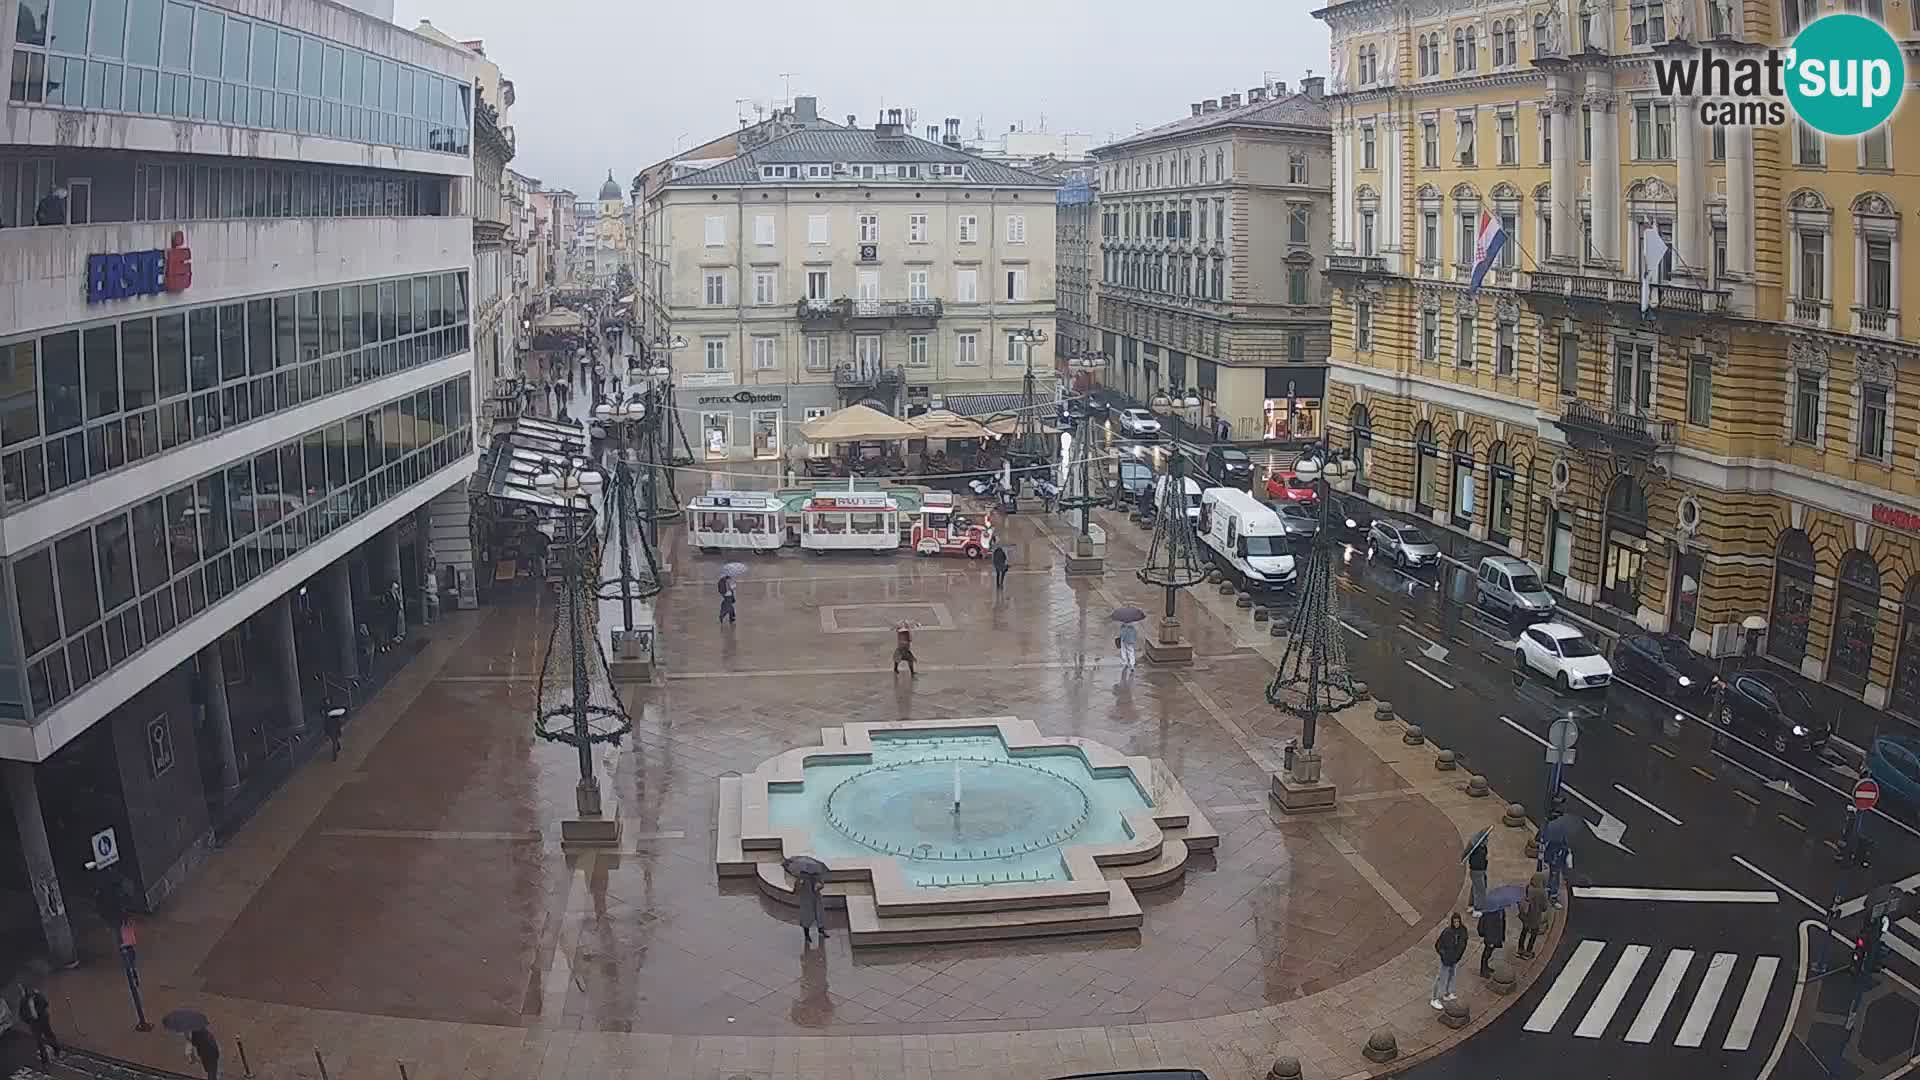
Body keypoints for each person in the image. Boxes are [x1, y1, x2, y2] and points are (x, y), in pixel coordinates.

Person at [1432, 912, 1467, 1008]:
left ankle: (1447, 993)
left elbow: (1464, 942)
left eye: (1458, 921)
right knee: (1441, 978)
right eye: (1454, 922)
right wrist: (1444, 955)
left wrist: (1459, 955)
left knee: (1451, 976)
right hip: (1446, 960)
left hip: (1455, 959)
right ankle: (1434, 998)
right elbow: (1438, 945)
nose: (1456, 923)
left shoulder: (1463, 931)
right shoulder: (1447, 932)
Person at [19, 985, 59, 1064]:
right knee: (39, 1040)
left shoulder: (38, 996)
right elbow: (21, 1014)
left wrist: (37, 1013)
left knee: (49, 1034)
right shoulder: (23, 1000)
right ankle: (44, 1058)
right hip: (33, 1024)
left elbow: (45, 1004)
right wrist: (29, 1019)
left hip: (42, 1020)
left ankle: (56, 1049)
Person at [1516, 871, 1550, 959]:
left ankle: (1520, 949)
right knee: (1533, 935)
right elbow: (1544, 907)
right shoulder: (1542, 893)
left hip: (1526, 915)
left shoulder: (1528, 888)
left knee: (1524, 931)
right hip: (1535, 916)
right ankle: (1528, 951)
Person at [1476, 904, 1506, 978]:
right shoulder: (1488, 911)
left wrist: (1502, 935)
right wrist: (1484, 934)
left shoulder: (1501, 910)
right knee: (1487, 953)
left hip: (1496, 935)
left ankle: (1486, 967)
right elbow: (1482, 924)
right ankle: (1483, 970)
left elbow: (1502, 921)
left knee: (1489, 953)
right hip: (1490, 936)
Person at [797, 872, 828, 945]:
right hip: (806, 898)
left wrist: (819, 885)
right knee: (806, 916)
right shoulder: (802, 874)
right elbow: (797, 887)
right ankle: (807, 935)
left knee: (819, 914)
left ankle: (821, 930)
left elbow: (822, 884)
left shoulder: (817, 873)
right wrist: (800, 883)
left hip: (816, 897)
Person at [1466, 834, 1489, 916]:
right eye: (1486, 840)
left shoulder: (1484, 848)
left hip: (1481, 870)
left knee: (1475, 887)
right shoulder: (1476, 849)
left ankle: (1471, 905)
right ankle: (1477, 909)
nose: (1487, 841)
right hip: (1477, 871)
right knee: (1480, 890)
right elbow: (1474, 861)